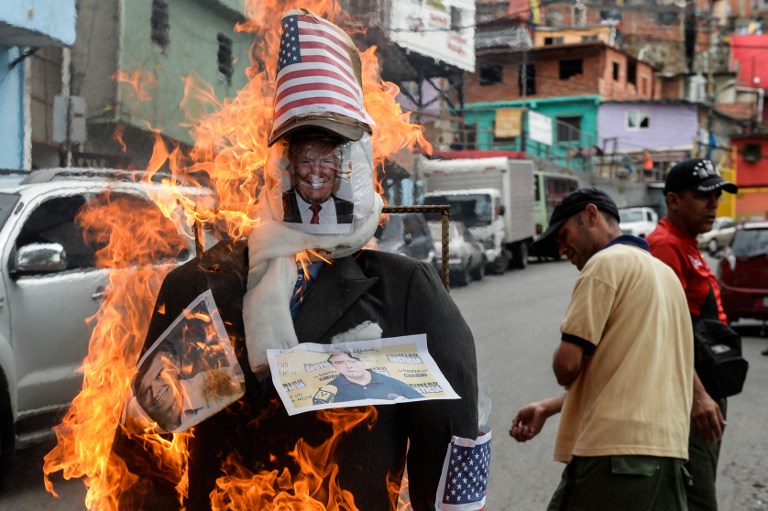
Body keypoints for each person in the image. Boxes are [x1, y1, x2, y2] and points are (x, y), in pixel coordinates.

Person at [110, 9, 479, 511]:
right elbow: (143, 446)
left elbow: (450, 441)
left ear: (360, 164)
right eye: (303, 154)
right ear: (277, 165)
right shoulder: (200, 285)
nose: (316, 173)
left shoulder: (406, 292)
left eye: (332, 154)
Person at [509, 187, 694, 510]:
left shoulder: (604, 265)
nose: (563, 248)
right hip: (669, 456)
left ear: (591, 216)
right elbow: (627, 378)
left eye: (565, 234)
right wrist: (549, 407)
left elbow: (566, 366)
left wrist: (565, 353)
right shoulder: (666, 277)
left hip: (614, 458)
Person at [647, 158, 738, 510]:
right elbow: (666, 329)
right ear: (673, 200)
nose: (714, 203)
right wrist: (698, 396)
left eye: (717, 195)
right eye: (703, 196)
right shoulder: (665, 245)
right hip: (688, 395)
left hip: (707, 388)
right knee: (698, 498)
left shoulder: (687, 243)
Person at [282, 130, 354, 225]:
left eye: (326, 162)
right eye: (306, 162)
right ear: (292, 167)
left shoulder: (351, 213)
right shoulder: (276, 208)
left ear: (338, 167)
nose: (316, 172)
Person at [316, 351, 423, 403]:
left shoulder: (394, 384)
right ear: (333, 366)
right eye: (339, 363)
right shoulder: (329, 391)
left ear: (364, 360)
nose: (348, 366)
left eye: (353, 361)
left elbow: (424, 407)